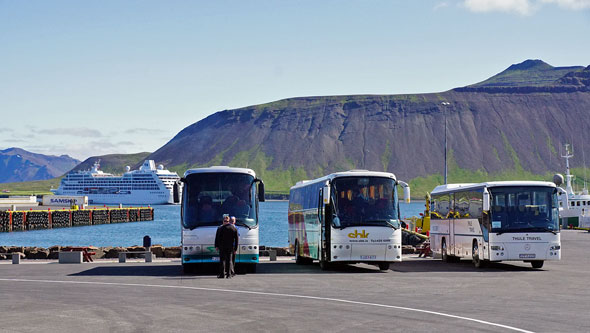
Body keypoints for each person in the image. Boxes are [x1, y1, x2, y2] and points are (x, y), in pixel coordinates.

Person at [215, 214, 239, 278]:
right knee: (229, 260)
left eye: (225, 221)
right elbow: (236, 240)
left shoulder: (220, 228)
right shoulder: (233, 228)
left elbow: (217, 238)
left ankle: (222, 274)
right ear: (229, 221)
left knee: (222, 260)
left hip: (222, 247)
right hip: (230, 247)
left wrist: (216, 246)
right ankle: (229, 274)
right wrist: (236, 249)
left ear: (223, 221)